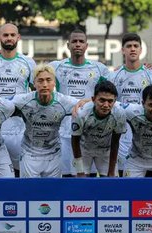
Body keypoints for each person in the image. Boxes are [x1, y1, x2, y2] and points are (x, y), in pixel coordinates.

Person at [49, 29, 110, 177]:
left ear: (86, 46)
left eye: (81, 41)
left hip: (91, 131)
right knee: (67, 176)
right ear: (68, 45)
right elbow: (37, 79)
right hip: (65, 130)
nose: (78, 44)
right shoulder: (56, 66)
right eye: (74, 41)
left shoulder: (99, 69)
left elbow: (109, 94)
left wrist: (88, 101)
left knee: (86, 177)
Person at [0, 23, 36, 177]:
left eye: (12, 35)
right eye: (5, 35)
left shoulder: (28, 62)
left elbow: (35, 93)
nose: (9, 38)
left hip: (20, 126)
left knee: (20, 170)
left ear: (18, 37)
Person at [12, 64, 85, 178]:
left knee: (52, 194)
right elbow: (1, 103)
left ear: (54, 82)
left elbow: (89, 104)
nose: (44, 84)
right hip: (29, 153)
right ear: (34, 84)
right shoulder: (23, 100)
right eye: (40, 81)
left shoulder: (64, 101)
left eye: (48, 80)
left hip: (53, 153)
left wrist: (89, 99)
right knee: (29, 193)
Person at [108, 33, 152, 177]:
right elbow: (109, 103)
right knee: (124, 176)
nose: (132, 49)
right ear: (123, 50)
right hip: (122, 133)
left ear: (140, 50)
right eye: (129, 46)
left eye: (135, 46)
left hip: (147, 133)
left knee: (150, 177)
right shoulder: (114, 76)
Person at [71, 80, 126, 177]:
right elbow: (75, 140)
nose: (106, 105)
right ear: (93, 99)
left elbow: (115, 141)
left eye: (110, 101)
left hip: (105, 150)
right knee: (80, 183)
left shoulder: (119, 113)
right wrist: (80, 170)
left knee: (111, 183)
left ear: (115, 101)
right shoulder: (81, 113)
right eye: (102, 100)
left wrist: (111, 171)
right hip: (84, 149)